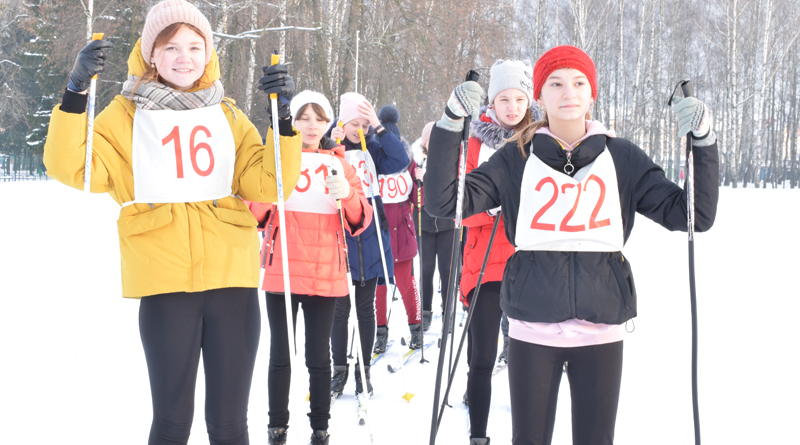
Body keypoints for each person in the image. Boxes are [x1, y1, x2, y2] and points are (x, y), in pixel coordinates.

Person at [424, 45, 719, 445]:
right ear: (540, 97)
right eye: (556, 84)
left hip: (600, 331)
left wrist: (703, 141)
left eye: (579, 83)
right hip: (532, 330)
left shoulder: (622, 156)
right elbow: (446, 204)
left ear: (591, 93)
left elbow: (692, 216)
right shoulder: (516, 157)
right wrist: (448, 126)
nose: (569, 93)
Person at [42, 1, 301, 443]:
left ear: (209, 53)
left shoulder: (228, 115)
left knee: (229, 423)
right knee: (172, 421)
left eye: (195, 46)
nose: (185, 57)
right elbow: (74, 166)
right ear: (150, 54)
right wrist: (75, 92)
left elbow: (270, 184)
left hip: (230, 283)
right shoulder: (124, 116)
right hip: (165, 285)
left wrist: (283, 121)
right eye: (171, 46)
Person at [247, 91, 370, 445]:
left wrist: (346, 193)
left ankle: (320, 428)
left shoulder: (340, 164)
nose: (311, 125)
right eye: (303, 117)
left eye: (318, 118)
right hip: (281, 270)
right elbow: (254, 213)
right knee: (281, 355)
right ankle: (277, 427)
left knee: (319, 357)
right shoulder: (276, 160)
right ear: (292, 122)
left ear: (329, 122)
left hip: (324, 272)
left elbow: (360, 218)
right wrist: (267, 191)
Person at [459, 59, 540, 443]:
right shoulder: (475, 141)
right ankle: (478, 435)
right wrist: (490, 206)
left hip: (529, 264)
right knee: (481, 358)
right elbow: (458, 208)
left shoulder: (543, 141)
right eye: (503, 99)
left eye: (519, 98)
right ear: (491, 101)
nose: (511, 107)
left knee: (529, 361)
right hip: (485, 265)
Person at [328, 92, 409, 398]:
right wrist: (328, 139)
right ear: (342, 122)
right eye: (354, 122)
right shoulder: (331, 146)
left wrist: (378, 126)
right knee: (339, 309)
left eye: (364, 123)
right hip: (339, 237)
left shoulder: (373, 147)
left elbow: (400, 160)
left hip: (370, 238)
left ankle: (363, 372)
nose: (358, 128)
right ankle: (339, 370)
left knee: (365, 308)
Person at [373, 104, 423, 352]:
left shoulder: (407, 160)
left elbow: (416, 199)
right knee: (380, 287)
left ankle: (416, 328)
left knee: (405, 282)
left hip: (402, 230)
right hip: (379, 231)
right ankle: (380, 333)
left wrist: (420, 184)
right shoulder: (373, 157)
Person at [416, 121, 458, 332]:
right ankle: (425, 312)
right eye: (431, 140)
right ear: (425, 142)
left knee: (447, 270)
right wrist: (416, 181)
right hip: (424, 224)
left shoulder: (451, 161)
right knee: (425, 269)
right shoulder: (417, 162)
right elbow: (407, 194)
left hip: (447, 225)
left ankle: (448, 313)